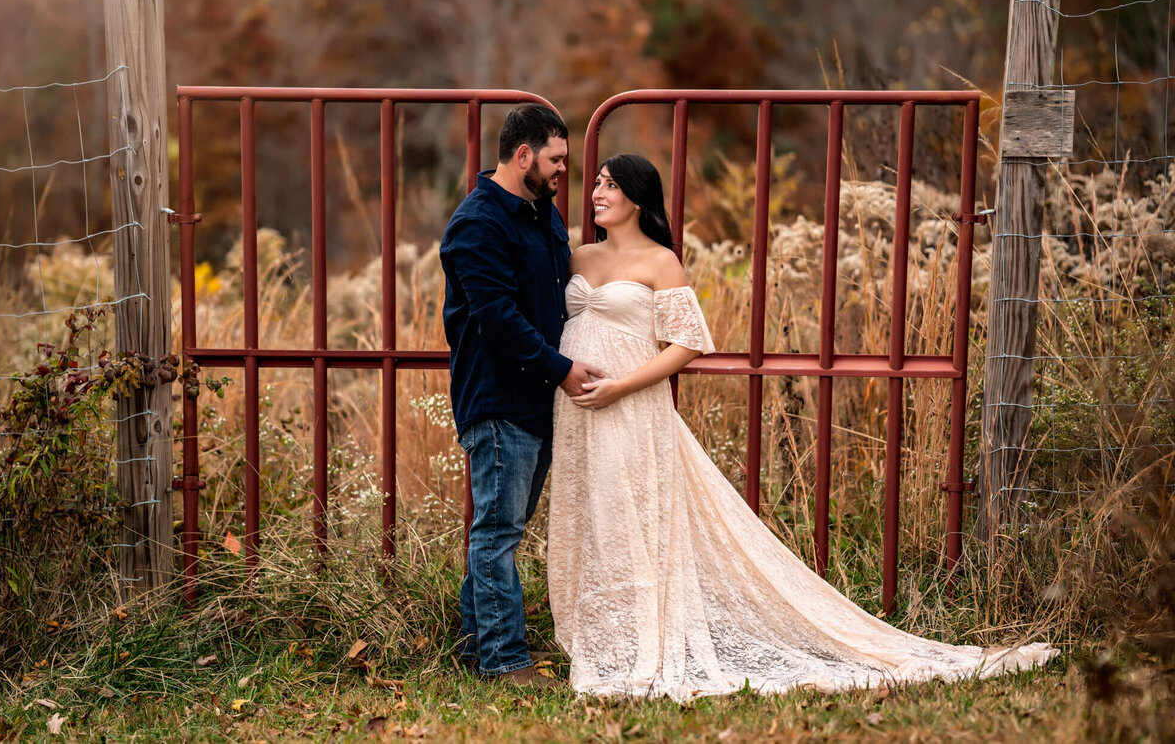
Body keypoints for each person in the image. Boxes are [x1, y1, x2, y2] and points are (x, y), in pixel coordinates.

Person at [547, 153, 1058, 701]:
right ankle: (594, 629)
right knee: (589, 512)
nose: (597, 192)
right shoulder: (578, 258)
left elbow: (687, 343)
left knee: (633, 515)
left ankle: (639, 634)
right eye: (596, 183)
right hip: (575, 412)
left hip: (630, 409)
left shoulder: (661, 262)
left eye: (609, 184)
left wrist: (620, 386)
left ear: (638, 197)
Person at [439, 103, 604, 686]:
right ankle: (505, 660)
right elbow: (499, 320)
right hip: (500, 399)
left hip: (536, 400)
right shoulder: (478, 224)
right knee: (498, 532)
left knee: (499, 529)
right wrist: (560, 369)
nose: (564, 171)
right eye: (556, 160)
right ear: (523, 155)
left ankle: (472, 644)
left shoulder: (543, 214)